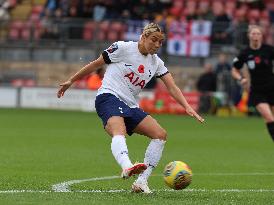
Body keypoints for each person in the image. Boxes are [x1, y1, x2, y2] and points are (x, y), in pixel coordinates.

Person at [57, 23, 204, 193]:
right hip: (108, 97)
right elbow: (95, 64)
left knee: (160, 135)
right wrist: (71, 81)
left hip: (130, 105)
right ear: (143, 37)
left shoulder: (156, 62)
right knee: (118, 130)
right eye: (153, 40)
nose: (157, 45)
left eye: (160, 42)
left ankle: (141, 182)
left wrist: (187, 106)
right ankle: (127, 166)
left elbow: (172, 87)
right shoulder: (123, 48)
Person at [231, 25, 274, 142]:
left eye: (258, 34)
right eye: (253, 34)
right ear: (249, 35)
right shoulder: (245, 53)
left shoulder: (269, 50)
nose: (255, 36)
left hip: (272, 88)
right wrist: (241, 79)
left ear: (261, 36)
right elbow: (234, 70)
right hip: (257, 91)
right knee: (269, 117)